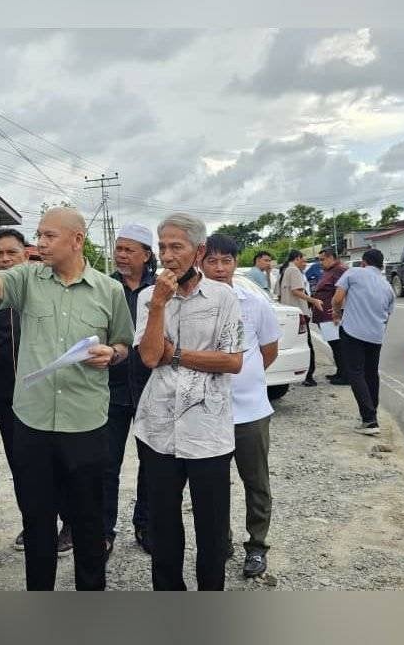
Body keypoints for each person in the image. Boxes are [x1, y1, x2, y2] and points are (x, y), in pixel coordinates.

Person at [0, 208, 134, 591]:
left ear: (76, 240)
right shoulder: (27, 279)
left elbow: (123, 342)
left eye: (49, 236)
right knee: (37, 520)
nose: (40, 243)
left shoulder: (110, 290)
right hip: (33, 423)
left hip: (85, 421)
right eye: (39, 235)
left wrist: (112, 353)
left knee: (88, 522)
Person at [135, 213, 243, 591]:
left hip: (208, 430)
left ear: (198, 252)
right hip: (157, 429)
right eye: (162, 246)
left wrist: (176, 354)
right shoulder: (149, 297)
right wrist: (159, 306)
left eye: (176, 247)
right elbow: (149, 357)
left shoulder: (223, 297)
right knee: (163, 526)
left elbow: (232, 361)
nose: (167, 255)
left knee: (212, 529)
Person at [0, 228, 74, 558]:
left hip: (49, 392)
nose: (4, 260)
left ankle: (69, 522)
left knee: (58, 462)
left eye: (11, 253)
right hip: (8, 396)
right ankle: (35, 521)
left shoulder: (44, 288)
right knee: (22, 464)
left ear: (27, 253)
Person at [201, 234, 280, 579]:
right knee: (212, 485)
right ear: (201, 263)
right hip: (208, 411)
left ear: (235, 263)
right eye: (213, 261)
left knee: (256, 481)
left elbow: (269, 350)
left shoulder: (255, 301)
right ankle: (221, 541)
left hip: (250, 410)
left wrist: (246, 377)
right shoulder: (192, 302)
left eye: (226, 261)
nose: (219, 268)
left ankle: (257, 546)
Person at [104, 223, 156, 558]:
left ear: (147, 255)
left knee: (152, 463)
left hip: (153, 388)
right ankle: (103, 530)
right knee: (106, 463)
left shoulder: (161, 287)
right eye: (118, 249)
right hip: (111, 389)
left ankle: (146, 524)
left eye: (129, 250)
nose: (121, 255)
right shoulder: (104, 287)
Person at [332, 248, 396, 436]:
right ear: (381, 265)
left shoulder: (353, 273)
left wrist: (337, 312)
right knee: (371, 374)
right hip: (376, 335)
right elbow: (388, 315)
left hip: (353, 332)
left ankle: (368, 419)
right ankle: (371, 414)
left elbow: (337, 298)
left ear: (364, 263)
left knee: (355, 373)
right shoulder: (388, 287)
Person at [278, 250, 324, 387]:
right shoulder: (294, 271)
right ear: (297, 258)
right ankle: (308, 376)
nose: (305, 264)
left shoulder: (285, 271)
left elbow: (279, 294)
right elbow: (296, 291)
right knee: (306, 345)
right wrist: (313, 300)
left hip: (290, 313)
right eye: (304, 261)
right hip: (299, 312)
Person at [311, 247, 348, 386]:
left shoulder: (340, 270)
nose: (321, 262)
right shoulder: (328, 271)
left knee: (338, 345)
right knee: (334, 345)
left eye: (323, 259)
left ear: (332, 257)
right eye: (319, 260)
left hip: (331, 315)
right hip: (325, 315)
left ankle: (345, 375)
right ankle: (340, 371)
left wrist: (337, 313)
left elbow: (342, 292)